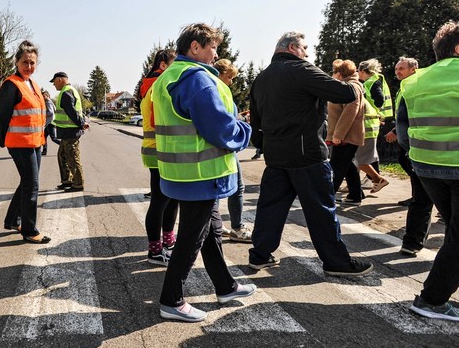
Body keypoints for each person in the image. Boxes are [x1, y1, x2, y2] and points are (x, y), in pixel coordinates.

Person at [248, 31, 373, 277]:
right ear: (292, 47)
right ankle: (336, 261)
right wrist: (356, 81)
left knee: (270, 209)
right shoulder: (302, 69)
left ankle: (260, 255)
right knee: (321, 211)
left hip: (276, 157)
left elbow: (256, 124)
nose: (307, 53)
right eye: (305, 48)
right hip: (307, 156)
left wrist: (267, 146)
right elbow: (345, 94)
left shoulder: (262, 78)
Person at [154, 23, 255, 323]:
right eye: (213, 48)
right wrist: (245, 131)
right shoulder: (196, 78)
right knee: (192, 237)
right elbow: (219, 128)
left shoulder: (170, 75)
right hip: (201, 173)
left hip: (184, 173)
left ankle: (225, 286)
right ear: (195, 47)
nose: (216, 54)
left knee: (211, 231)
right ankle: (171, 300)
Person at [398, 21, 459, 321]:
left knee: (454, 233)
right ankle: (432, 299)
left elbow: (403, 129)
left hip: (426, 167)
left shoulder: (414, 81)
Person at [0, 40, 50, 244]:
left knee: (27, 183)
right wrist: (3, 141)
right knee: (32, 185)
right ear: (17, 62)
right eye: (25, 62)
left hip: (35, 142)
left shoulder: (33, 84)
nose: (29, 66)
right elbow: (2, 117)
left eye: (32, 62)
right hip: (20, 143)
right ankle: (29, 230)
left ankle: (12, 220)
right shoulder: (11, 84)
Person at [385, 57, 434, 255]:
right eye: (396, 69)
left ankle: (412, 243)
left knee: (421, 199)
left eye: (401, 68)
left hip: (422, 152)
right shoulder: (426, 83)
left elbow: (404, 121)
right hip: (446, 154)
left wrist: (409, 148)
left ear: (414, 69)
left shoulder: (412, 87)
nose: (397, 72)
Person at [139, 48, 178, 265]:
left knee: (170, 199)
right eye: (175, 63)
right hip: (159, 150)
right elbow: (160, 121)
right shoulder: (158, 85)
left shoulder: (153, 84)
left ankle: (168, 242)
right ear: (163, 65)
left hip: (160, 149)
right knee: (160, 200)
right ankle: (155, 251)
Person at [213, 58, 251, 242]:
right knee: (233, 188)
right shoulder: (217, 89)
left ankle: (218, 225)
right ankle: (236, 227)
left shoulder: (216, 89)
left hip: (224, 147)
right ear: (220, 74)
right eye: (229, 77)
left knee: (227, 188)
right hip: (224, 146)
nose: (231, 82)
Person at [326, 59, 365, 206]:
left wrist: (338, 135)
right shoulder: (350, 86)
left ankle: (327, 198)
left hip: (346, 136)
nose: (332, 75)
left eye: (334, 72)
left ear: (340, 74)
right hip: (346, 135)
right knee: (348, 165)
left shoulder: (351, 87)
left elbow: (349, 113)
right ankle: (355, 195)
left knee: (336, 167)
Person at [356, 59, 390, 193]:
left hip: (369, 123)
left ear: (363, 71)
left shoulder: (370, 82)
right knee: (368, 155)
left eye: (358, 71)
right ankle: (369, 179)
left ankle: (375, 179)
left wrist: (373, 111)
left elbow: (379, 100)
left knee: (361, 157)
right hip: (372, 122)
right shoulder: (375, 80)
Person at [50, 72, 88, 192]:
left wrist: (81, 124)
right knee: (62, 155)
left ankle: (78, 184)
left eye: (54, 82)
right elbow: (77, 110)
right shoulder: (68, 91)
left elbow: (72, 111)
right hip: (67, 132)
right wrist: (82, 122)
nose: (54, 85)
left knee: (72, 157)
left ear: (60, 80)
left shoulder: (66, 92)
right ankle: (67, 181)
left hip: (70, 131)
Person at [41, 89, 57, 156]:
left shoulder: (48, 102)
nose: (43, 97)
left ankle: (64, 147)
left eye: (44, 96)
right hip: (49, 123)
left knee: (54, 138)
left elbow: (50, 112)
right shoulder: (49, 102)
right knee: (44, 137)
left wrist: (43, 115)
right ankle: (44, 151)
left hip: (50, 123)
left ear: (47, 96)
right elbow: (55, 109)